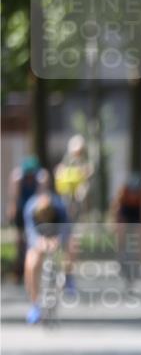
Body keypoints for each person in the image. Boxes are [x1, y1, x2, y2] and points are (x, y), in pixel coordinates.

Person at [22, 192, 72, 324]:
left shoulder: (60, 209)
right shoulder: (30, 209)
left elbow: (66, 230)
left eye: (47, 215)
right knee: (31, 263)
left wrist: (58, 240)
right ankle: (35, 305)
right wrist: (39, 242)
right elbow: (30, 233)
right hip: (38, 238)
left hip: (56, 235)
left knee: (72, 247)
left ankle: (68, 277)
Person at [7, 156, 50, 283]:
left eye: (32, 174)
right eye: (28, 175)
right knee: (19, 240)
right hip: (22, 208)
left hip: (36, 208)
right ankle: (18, 271)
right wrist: (12, 210)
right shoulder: (18, 177)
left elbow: (42, 197)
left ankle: (40, 270)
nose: (30, 177)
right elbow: (14, 198)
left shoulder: (42, 177)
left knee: (39, 240)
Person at [111, 173, 141, 288]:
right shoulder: (122, 193)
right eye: (131, 192)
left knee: (140, 234)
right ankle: (119, 255)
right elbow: (116, 211)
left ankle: (140, 263)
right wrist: (116, 225)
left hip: (136, 213)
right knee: (121, 230)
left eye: (135, 192)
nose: (133, 195)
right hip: (125, 211)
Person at [54, 134, 93, 220]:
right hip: (69, 184)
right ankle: (68, 218)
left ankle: (83, 218)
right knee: (66, 200)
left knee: (82, 195)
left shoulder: (85, 157)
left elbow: (90, 169)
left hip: (81, 184)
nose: (76, 152)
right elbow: (61, 167)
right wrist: (59, 171)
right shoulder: (68, 157)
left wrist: (85, 172)